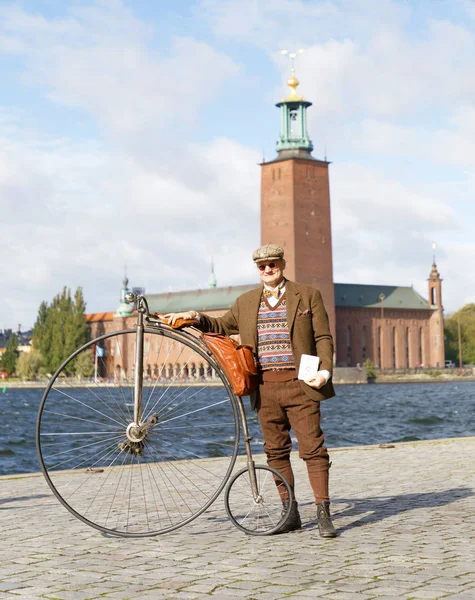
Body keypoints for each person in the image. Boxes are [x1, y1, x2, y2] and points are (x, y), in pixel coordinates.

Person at [165, 244, 337, 538]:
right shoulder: (246, 302)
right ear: (257, 270)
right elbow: (220, 325)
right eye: (262, 266)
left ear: (282, 264)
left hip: (301, 386)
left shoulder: (308, 295)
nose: (268, 270)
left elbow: (322, 336)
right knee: (275, 452)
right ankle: (289, 511)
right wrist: (195, 316)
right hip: (264, 388)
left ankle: (323, 512)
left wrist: (325, 371)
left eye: (273, 264)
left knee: (313, 449)